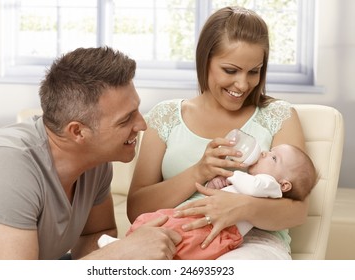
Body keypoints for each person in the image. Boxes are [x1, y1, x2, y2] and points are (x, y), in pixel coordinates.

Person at [127, 6, 311, 260]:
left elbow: (298, 211)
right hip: (175, 236)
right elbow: (136, 209)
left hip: (252, 242)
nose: (243, 84)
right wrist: (199, 171)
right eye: (231, 70)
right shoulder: (166, 117)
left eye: (254, 71)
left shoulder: (278, 116)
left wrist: (242, 207)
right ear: (206, 60)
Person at [0, 46, 181, 260]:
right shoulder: (3, 168)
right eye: (126, 119)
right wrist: (119, 254)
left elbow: (95, 234)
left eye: (137, 112)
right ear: (77, 131)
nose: (142, 126)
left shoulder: (95, 162)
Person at [126, 144, 317, 259]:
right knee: (159, 222)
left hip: (221, 231)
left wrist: (233, 175)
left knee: (184, 245)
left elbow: (253, 187)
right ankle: (124, 248)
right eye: (270, 151)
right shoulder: (250, 180)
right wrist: (216, 183)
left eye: (274, 158)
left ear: (285, 185)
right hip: (202, 219)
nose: (265, 153)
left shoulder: (271, 186)